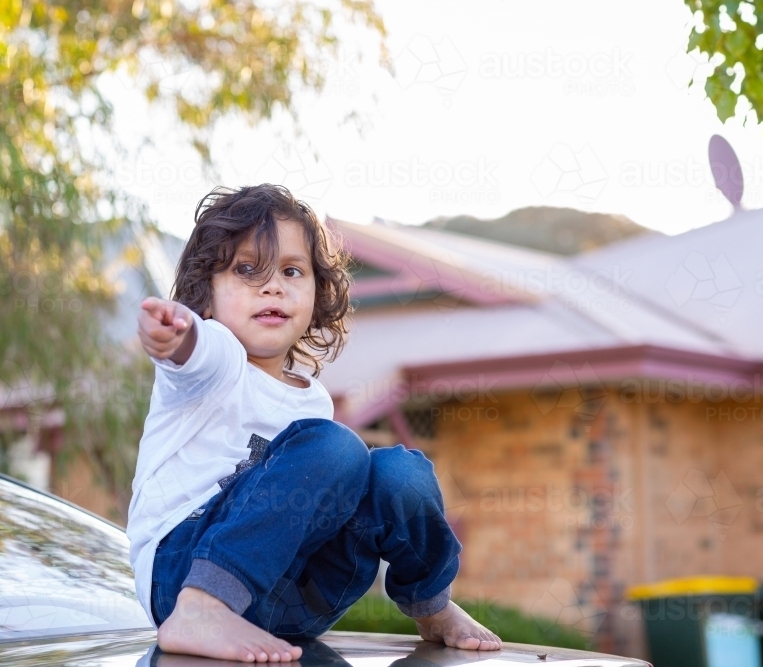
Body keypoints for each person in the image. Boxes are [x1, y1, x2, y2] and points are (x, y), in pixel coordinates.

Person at [126, 184, 502, 662]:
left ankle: (430, 604)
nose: (272, 286)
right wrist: (174, 336)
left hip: (291, 599)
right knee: (338, 447)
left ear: (317, 292)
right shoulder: (218, 362)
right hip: (180, 574)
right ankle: (204, 609)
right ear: (206, 295)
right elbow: (195, 351)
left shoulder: (313, 400)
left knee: (397, 473)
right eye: (246, 270)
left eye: (291, 270)